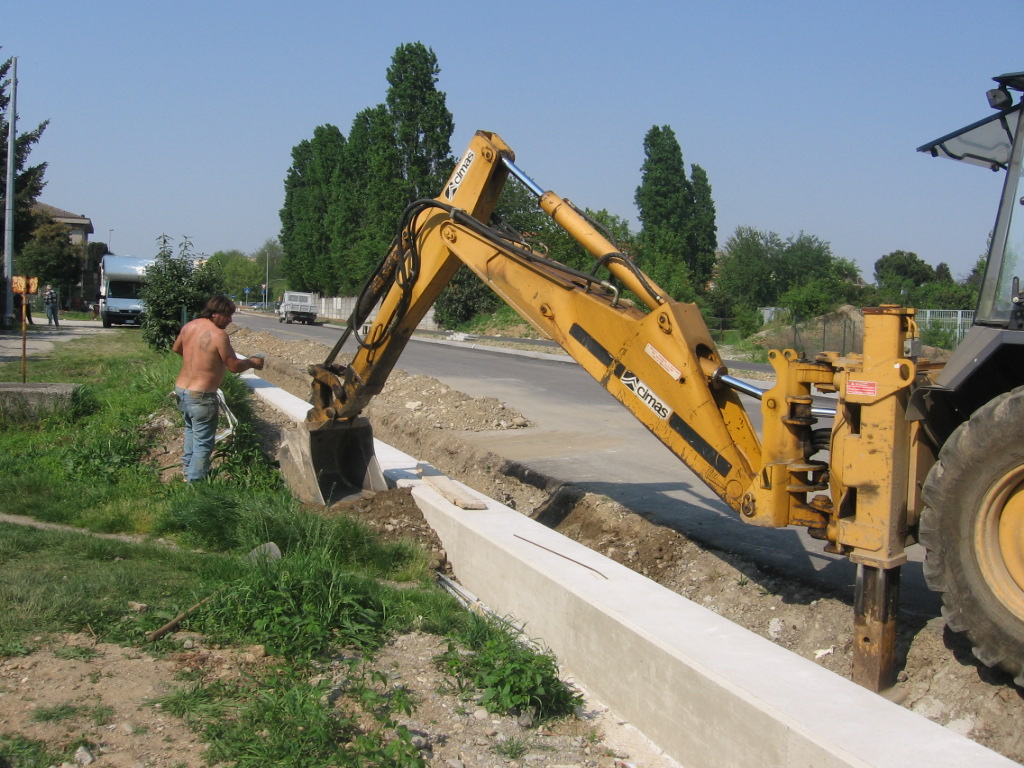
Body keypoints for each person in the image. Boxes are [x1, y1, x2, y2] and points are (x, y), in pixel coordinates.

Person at [172, 295, 265, 482]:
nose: (230, 320)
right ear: (214, 313)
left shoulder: (189, 326)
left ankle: (187, 472)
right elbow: (234, 366)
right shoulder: (218, 334)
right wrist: (252, 362)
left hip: (182, 391)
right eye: (227, 315)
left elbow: (176, 348)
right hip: (202, 396)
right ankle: (196, 486)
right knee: (203, 444)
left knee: (191, 432)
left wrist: (198, 358)